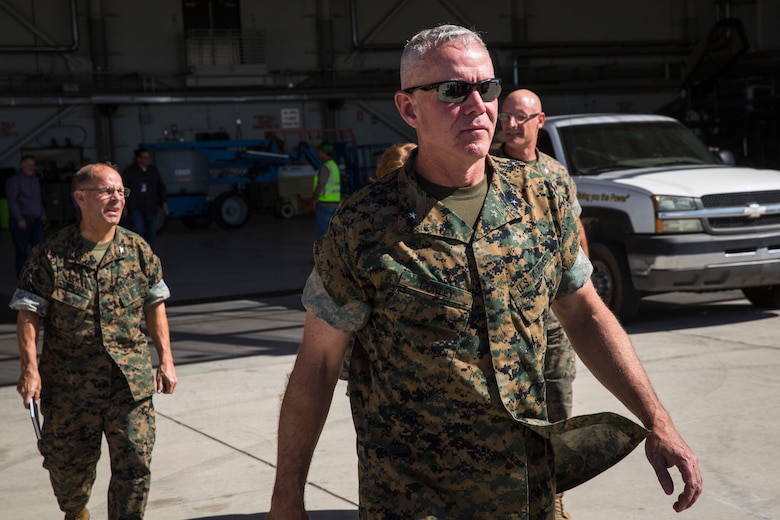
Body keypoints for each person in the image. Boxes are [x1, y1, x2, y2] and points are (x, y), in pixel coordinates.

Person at [268, 24, 701, 519]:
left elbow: (583, 313)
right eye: (454, 90)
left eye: (487, 87)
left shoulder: (542, 197)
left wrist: (657, 419)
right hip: (415, 499)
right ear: (409, 108)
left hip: (529, 488)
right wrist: (287, 495)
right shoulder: (362, 226)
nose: (478, 105)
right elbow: (318, 364)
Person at [10, 162, 177, 520]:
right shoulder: (50, 255)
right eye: (107, 191)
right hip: (71, 389)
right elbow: (28, 313)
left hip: (128, 385)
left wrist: (166, 359)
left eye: (120, 191)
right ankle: (76, 512)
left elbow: (155, 304)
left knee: (135, 468)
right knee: (68, 473)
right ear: (80, 198)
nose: (116, 197)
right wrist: (30, 369)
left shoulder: (138, 250)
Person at [494, 88, 588, 519]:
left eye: (520, 117)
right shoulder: (486, 170)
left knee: (558, 405)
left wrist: (588, 299)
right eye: (506, 116)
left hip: (555, 316)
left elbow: (576, 234)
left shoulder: (555, 174)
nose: (510, 124)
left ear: (540, 121)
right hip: (509, 318)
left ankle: (553, 497)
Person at [6, 154, 47, 278]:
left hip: (36, 221)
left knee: (39, 250)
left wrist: (43, 213)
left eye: (33, 165)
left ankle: (37, 276)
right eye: (29, 165)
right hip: (22, 222)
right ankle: (22, 278)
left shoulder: (35, 180)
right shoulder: (14, 181)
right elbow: (12, 201)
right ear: (22, 166)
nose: (31, 167)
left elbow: (38, 199)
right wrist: (19, 219)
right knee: (21, 251)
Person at [122, 148, 169, 249]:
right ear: (138, 159)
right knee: (138, 232)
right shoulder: (130, 171)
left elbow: (160, 187)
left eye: (149, 157)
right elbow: (123, 188)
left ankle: (149, 255)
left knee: (152, 232)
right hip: (136, 207)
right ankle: (139, 254)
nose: (148, 159)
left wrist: (164, 204)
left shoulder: (153, 171)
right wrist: (124, 206)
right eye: (145, 157)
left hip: (151, 207)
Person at [312, 142, 342, 238]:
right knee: (333, 231)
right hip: (335, 203)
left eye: (319, 151)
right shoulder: (334, 166)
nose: (318, 153)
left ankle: (323, 251)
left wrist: (314, 198)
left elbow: (320, 184)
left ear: (324, 152)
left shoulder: (325, 167)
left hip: (325, 204)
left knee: (323, 232)